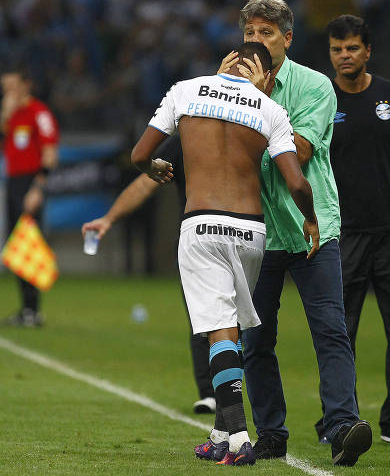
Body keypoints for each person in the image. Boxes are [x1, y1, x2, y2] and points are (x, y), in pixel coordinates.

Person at [131, 41, 319, 466]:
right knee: (229, 329)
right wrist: (310, 219)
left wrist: (155, 168)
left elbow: (140, 154)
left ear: (226, 63)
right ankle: (219, 433)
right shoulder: (270, 109)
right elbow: (296, 183)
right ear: (268, 75)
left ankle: (237, 438)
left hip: (200, 226)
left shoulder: (186, 90)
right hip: (252, 232)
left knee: (217, 331)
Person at [219, 0, 372, 466]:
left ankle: (343, 425)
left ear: (287, 38)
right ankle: (271, 433)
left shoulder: (315, 86)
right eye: (250, 34)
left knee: (330, 330)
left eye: (266, 33)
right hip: (257, 231)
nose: (256, 42)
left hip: (312, 227)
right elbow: (221, 154)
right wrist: (226, 91)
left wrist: (252, 97)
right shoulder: (226, 86)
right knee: (256, 339)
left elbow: (298, 152)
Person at [323, 14, 390, 447]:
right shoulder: (320, 98)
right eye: (336, 49)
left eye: (351, 48)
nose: (344, 56)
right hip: (342, 231)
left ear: (368, 51)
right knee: (339, 330)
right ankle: (339, 418)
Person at [81, 135, 218, 415]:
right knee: (204, 319)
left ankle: (231, 394)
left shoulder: (233, 123)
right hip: (220, 237)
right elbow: (146, 181)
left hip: (225, 235)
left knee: (232, 321)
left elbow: (142, 163)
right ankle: (212, 393)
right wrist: (110, 218)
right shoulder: (185, 138)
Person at [0, 68, 59, 327]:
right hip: (13, 182)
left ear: (27, 85)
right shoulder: (9, 117)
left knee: (30, 243)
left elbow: (50, 153)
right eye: (4, 87)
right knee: (17, 244)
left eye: (13, 86)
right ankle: (27, 309)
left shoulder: (40, 114)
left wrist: (38, 188)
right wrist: (4, 114)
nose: (8, 92)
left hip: (30, 182)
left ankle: (33, 310)